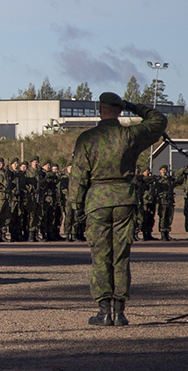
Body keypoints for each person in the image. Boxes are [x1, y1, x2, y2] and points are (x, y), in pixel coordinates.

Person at [68, 92, 167, 327]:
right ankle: (120, 313)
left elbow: (78, 174)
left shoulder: (87, 138)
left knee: (101, 256)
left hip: (97, 201)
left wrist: (75, 205)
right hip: (124, 198)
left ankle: (104, 312)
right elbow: (158, 120)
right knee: (121, 256)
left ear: (100, 110)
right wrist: (132, 106)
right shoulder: (130, 135)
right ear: (120, 110)